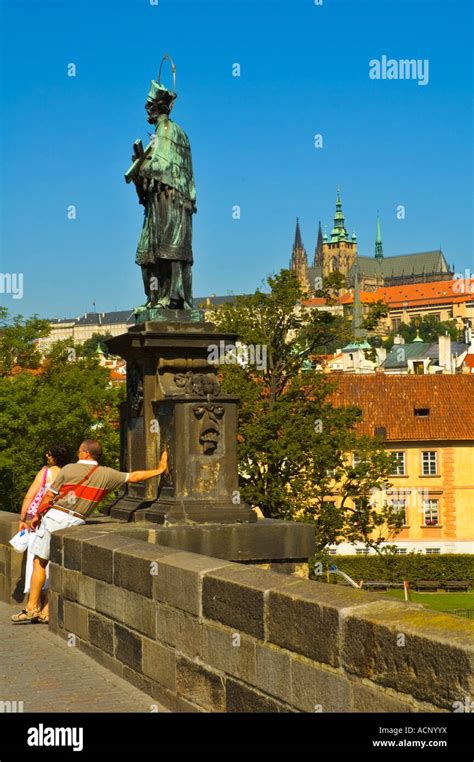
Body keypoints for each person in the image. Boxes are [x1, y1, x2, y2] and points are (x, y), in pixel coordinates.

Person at [11, 439, 168, 624]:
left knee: (40, 562)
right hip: (77, 521)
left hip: (56, 517)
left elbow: (48, 496)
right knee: (59, 565)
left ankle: (31, 608)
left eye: (79, 451)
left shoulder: (68, 469)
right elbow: (134, 477)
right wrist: (159, 469)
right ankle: (47, 611)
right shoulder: (107, 474)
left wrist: (37, 516)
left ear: (85, 453)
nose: (78, 454)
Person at [18, 444, 70, 599]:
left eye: (49, 454)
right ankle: (47, 603)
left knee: (36, 560)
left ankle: (35, 602)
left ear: (54, 457)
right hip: (58, 518)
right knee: (51, 560)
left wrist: (22, 519)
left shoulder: (45, 472)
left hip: (39, 518)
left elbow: (30, 496)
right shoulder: (67, 473)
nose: (47, 456)